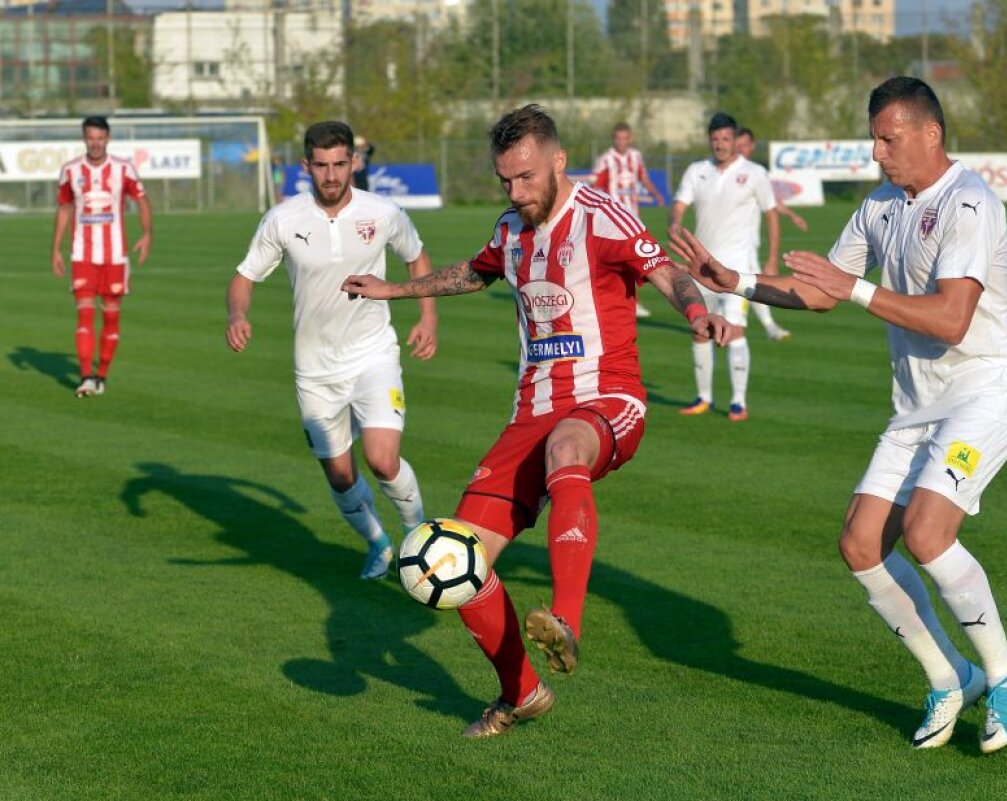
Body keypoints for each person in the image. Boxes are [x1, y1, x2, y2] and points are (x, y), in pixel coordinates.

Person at [342, 104, 730, 738]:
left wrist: (695, 314)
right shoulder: (510, 228)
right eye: (505, 181)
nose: (516, 193)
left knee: (566, 451)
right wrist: (391, 291)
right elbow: (475, 271)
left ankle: (566, 621)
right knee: (455, 562)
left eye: (525, 177)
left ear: (556, 161)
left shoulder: (601, 216)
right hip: (531, 412)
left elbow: (665, 271)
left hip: (607, 399)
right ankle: (521, 693)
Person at [673, 76, 1007, 753]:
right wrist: (737, 282)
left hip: (984, 392)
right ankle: (949, 675)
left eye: (888, 138)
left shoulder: (970, 202)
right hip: (916, 407)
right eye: (873, 137)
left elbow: (953, 318)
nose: (877, 151)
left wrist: (856, 287)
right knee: (859, 545)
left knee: (928, 534)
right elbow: (819, 293)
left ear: (931, 134)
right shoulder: (880, 205)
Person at [226, 120, 437, 582]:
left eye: (340, 164)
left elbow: (416, 256)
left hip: (373, 355)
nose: (331, 175)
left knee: (382, 459)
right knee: (340, 475)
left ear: (354, 163)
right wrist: (237, 315)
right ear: (306, 166)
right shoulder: (283, 218)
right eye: (321, 166)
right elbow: (244, 276)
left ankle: (421, 540)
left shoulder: (382, 212)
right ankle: (379, 544)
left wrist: (427, 315)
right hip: (315, 370)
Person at [669, 112, 778, 422]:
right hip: (701, 268)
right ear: (709, 140)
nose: (720, 144)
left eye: (726, 139)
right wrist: (674, 223)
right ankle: (703, 397)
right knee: (701, 331)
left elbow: (771, 214)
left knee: (735, 330)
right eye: (715, 139)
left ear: (735, 140)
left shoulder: (755, 173)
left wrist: (770, 259)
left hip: (738, 270)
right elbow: (678, 206)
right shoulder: (697, 170)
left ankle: (738, 402)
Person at [51, 115, 152, 398]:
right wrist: (56, 248)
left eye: (100, 138)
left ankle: (102, 375)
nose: (95, 143)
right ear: (84, 138)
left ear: (107, 138)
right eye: (90, 138)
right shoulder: (70, 171)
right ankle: (86, 378)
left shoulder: (123, 169)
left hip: (115, 256)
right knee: (84, 314)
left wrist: (146, 235)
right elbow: (63, 208)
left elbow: (142, 200)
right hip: (82, 254)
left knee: (110, 317)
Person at [591, 122, 666, 319]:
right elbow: (596, 186)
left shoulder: (636, 156)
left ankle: (632, 302)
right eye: (618, 138)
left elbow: (644, 178)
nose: (621, 142)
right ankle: (610, 301)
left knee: (635, 260)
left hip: (632, 218)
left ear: (630, 138)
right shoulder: (606, 159)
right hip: (612, 219)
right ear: (613, 139)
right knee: (613, 261)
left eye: (625, 138)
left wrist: (656, 194)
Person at [733, 126, 801, 343]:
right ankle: (762, 327)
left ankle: (766, 326)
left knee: (747, 285)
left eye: (744, 145)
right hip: (732, 245)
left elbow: (770, 202)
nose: (741, 149)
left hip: (748, 244)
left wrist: (791, 215)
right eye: (738, 145)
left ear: (752, 146)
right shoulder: (727, 173)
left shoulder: (754, 173)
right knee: (747, 285)